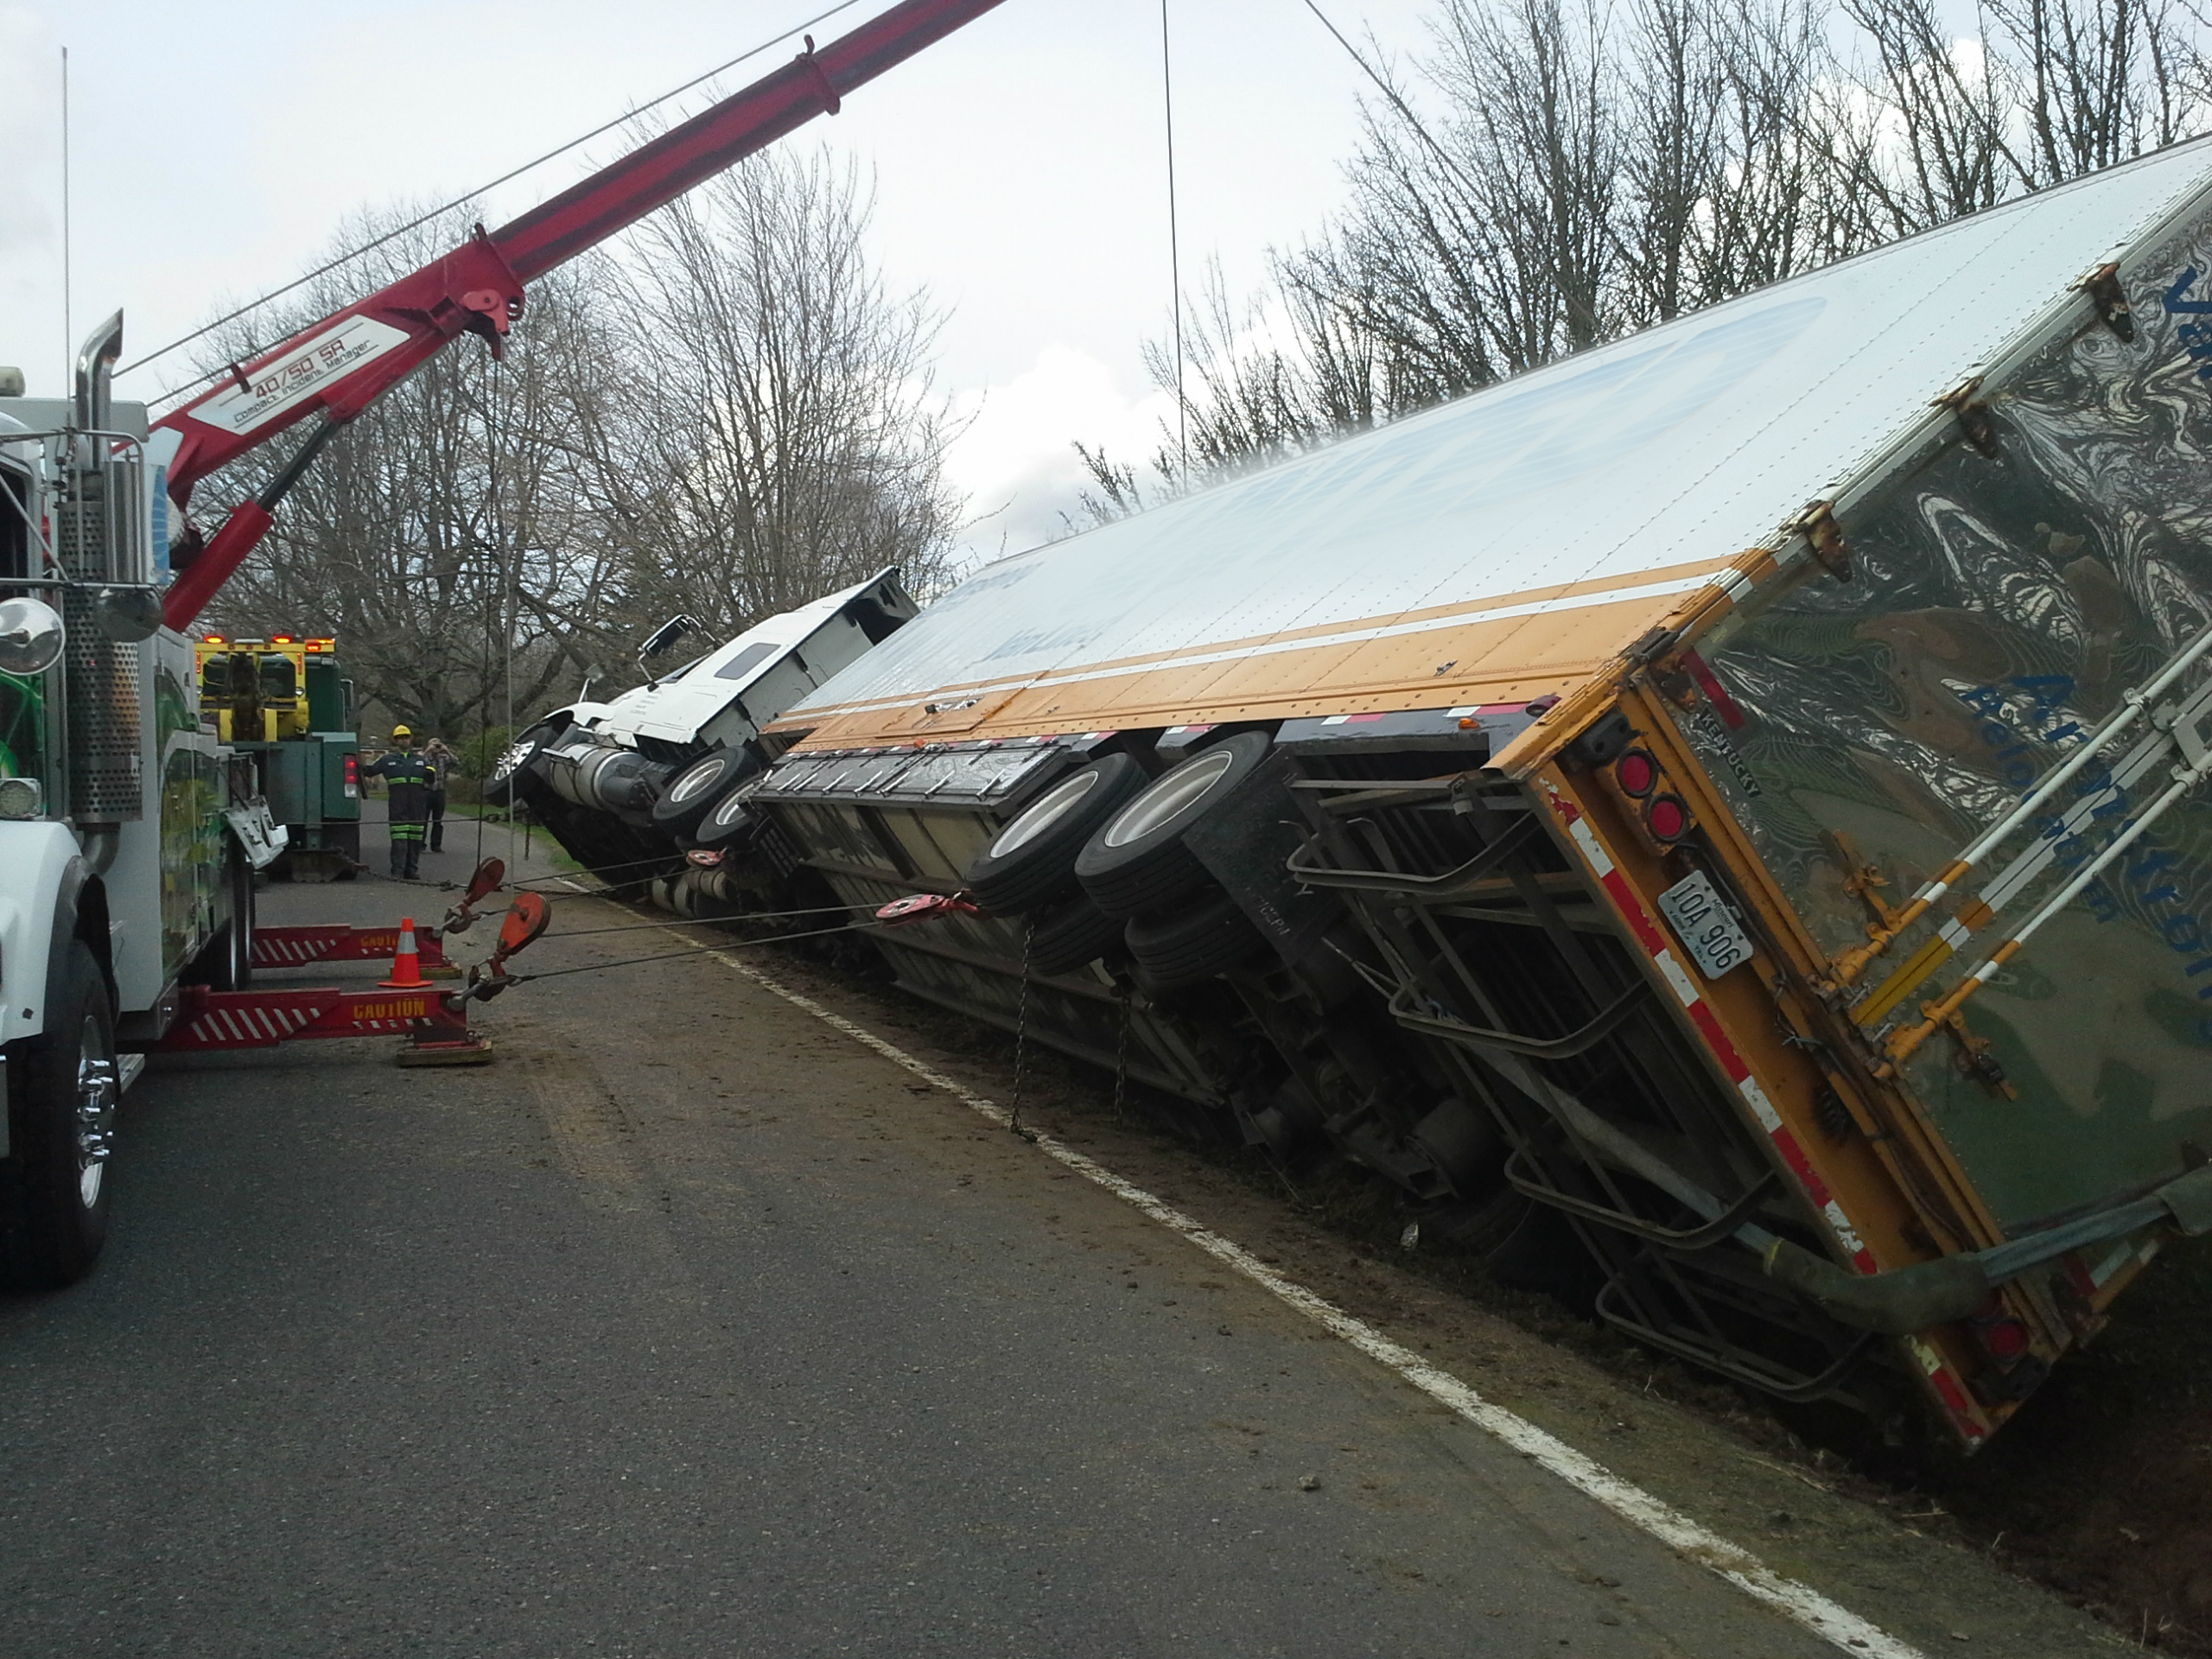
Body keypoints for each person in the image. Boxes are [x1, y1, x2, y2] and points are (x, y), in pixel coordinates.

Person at [367, 724, 437, 879]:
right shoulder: (387, 760)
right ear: (395, 741)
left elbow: (430, 781)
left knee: (415, 840)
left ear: (411, 739)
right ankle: (397, 871)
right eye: (400, 738)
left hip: (417, 806)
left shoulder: (421, 761)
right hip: (398, 805)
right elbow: (369, 771)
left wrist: (431, 774)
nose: (404, 740)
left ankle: (411, 870)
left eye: (406, 737)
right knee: (399, 840)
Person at [423, 737, 454, 852]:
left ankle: (436, 845)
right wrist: (427, 750)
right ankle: (421, 844)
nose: (436, 748)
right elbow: (416, 763)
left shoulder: (444, 758)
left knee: (438, 821)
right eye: (434, 745)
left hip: (439, 792)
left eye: (438, 745)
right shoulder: (425, 758)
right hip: (426, 792)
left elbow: (456, 763)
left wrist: (447, 751)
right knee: (423, 819)